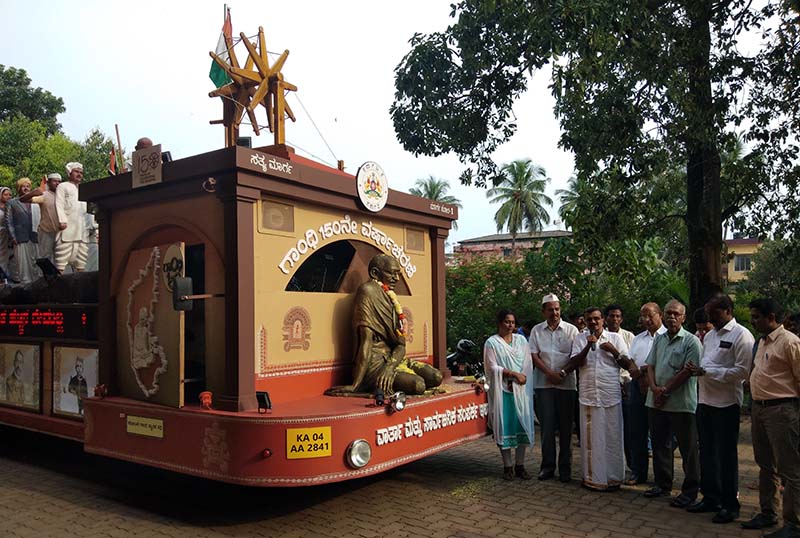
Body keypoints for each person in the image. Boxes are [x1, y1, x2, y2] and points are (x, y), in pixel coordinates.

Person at [329, 254, 442, 396]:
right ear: (375, 273)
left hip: (391, 360)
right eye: (392, 273)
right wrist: (356, 384)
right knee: (418, 385)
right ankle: (364, 389)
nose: (397, 278)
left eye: (398, 274)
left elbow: (401, 345)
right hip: (374, 364)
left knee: (436, 376)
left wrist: (390, 367)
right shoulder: (367, 291)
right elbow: (366, 342)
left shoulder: (390, 297)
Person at [686, 294, 754, 523]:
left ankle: (729, 504)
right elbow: (706, 363)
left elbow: (743, 372)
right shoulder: (710, 335)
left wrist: (708, 372)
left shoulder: (742, 336)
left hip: (726, 404)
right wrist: (699, 369)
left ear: (727, 310)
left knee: (726, 456)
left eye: (714, 313)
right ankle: (710, 498)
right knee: (707, 452)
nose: (710, 318)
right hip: (705, 400)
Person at [740, 298, 800, 537]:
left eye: (756, 317)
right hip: (760, 409)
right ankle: (768, 512)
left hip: (782, 410)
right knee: (766, 464)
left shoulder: (790, 342)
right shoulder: (762, 342)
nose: (753, 321)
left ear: (771, 317)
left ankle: (793, 524)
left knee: (790, 468)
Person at [643, 299, 702, 508]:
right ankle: (662, 484)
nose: (672, 317)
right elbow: (650, 365)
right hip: (656, 402)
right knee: (660, 445)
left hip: (680, 403)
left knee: (688, 449)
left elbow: (687, 371)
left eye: (676, 314)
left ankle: (690, 491)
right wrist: (654, 388)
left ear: (684, 317)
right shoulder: (659, 340)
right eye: (668, 313)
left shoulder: (691, 341)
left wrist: (664, 391)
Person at [568, 306, 631, 491]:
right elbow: (574, 364)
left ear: (603, 320)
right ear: (585, 322)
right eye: (589, 320)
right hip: (589, 394)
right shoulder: (580, 338)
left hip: (610, 393)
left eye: (596, 319)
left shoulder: (615, 338)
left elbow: (627, 363)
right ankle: (593, 478)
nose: (593, 322)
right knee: (591, 439)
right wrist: (588, 345)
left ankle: (613, 478)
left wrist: (613, 350)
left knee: (612, 437)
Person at [529, 293, 579, 482]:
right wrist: (549, 373)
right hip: (543, 385)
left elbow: (576, 356)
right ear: (543, 311)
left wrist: (563, 374)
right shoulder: (536, 331)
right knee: (547, 428)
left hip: (567, 386)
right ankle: (548, 467)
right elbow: (534, 355)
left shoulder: (572, 330)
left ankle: (565, 470)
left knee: (566, 429)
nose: (554, 312)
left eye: (557, 309)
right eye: (550, 309)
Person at [484, 308, 535, 480]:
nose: (510, 325)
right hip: (503, 390)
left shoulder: (521, 341)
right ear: (499, 323)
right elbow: (492, 367)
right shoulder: (492, 343)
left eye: (512, 322)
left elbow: (527, 363)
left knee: (522, 426)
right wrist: (512, 375)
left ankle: (520, 465)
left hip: (520, 390)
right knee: (504, 427)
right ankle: (507, 466)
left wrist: (521, 380)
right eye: (507, 322)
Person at [623, 302, 667, 485]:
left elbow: (663, 363)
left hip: (658, 388)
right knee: (637, 432)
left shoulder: (667, 336)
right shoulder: (638, 338)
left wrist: (644, 375)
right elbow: (630, 359)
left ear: (660, 315)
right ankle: (638, 472)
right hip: (637, 388)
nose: (646, 320)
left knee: (659, 435)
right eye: (643, 316)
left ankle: (662, 477)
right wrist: (636, 373)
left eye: (650, 315)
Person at [4, 178, 41, 284]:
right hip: (20, 237)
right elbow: (8, 221)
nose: (26, 188)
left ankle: (37, 284)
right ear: (19, 188)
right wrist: (13, 237)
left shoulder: (35, 201)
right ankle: (25, 285)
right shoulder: (12, 202)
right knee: (23, 264)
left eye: (28, 186)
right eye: (23, 186)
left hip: (35, 236)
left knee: (36, 263)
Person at [54, 162, 89, 273]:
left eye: (81, 172)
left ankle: (80, 286)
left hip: (82, 228)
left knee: (81, 260)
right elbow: (58, 204)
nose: (79, 174)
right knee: (61, 260)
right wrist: (62, 220)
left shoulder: (84, 189)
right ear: (70, 173)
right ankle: (58, 286)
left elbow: (89, 208)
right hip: (67, 227)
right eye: (76, 172)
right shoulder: (62, 186)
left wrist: (93, 225)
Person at [24, 173, 61, 264]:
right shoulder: (44, 195)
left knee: (60, 258)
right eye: (55, 181)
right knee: (45, 257)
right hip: (46, 231)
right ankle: (45, 277)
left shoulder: (62, 196)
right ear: (48, 183)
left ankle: (60, 278)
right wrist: (32, 193)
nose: (57, 183)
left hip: (60, 232)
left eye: (59, 181)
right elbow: (24, 200)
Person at [0, 186, 12, 280]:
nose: (8, 196)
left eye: (9, 195)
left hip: (9, 235)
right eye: (5, 195)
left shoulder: (11, 207)